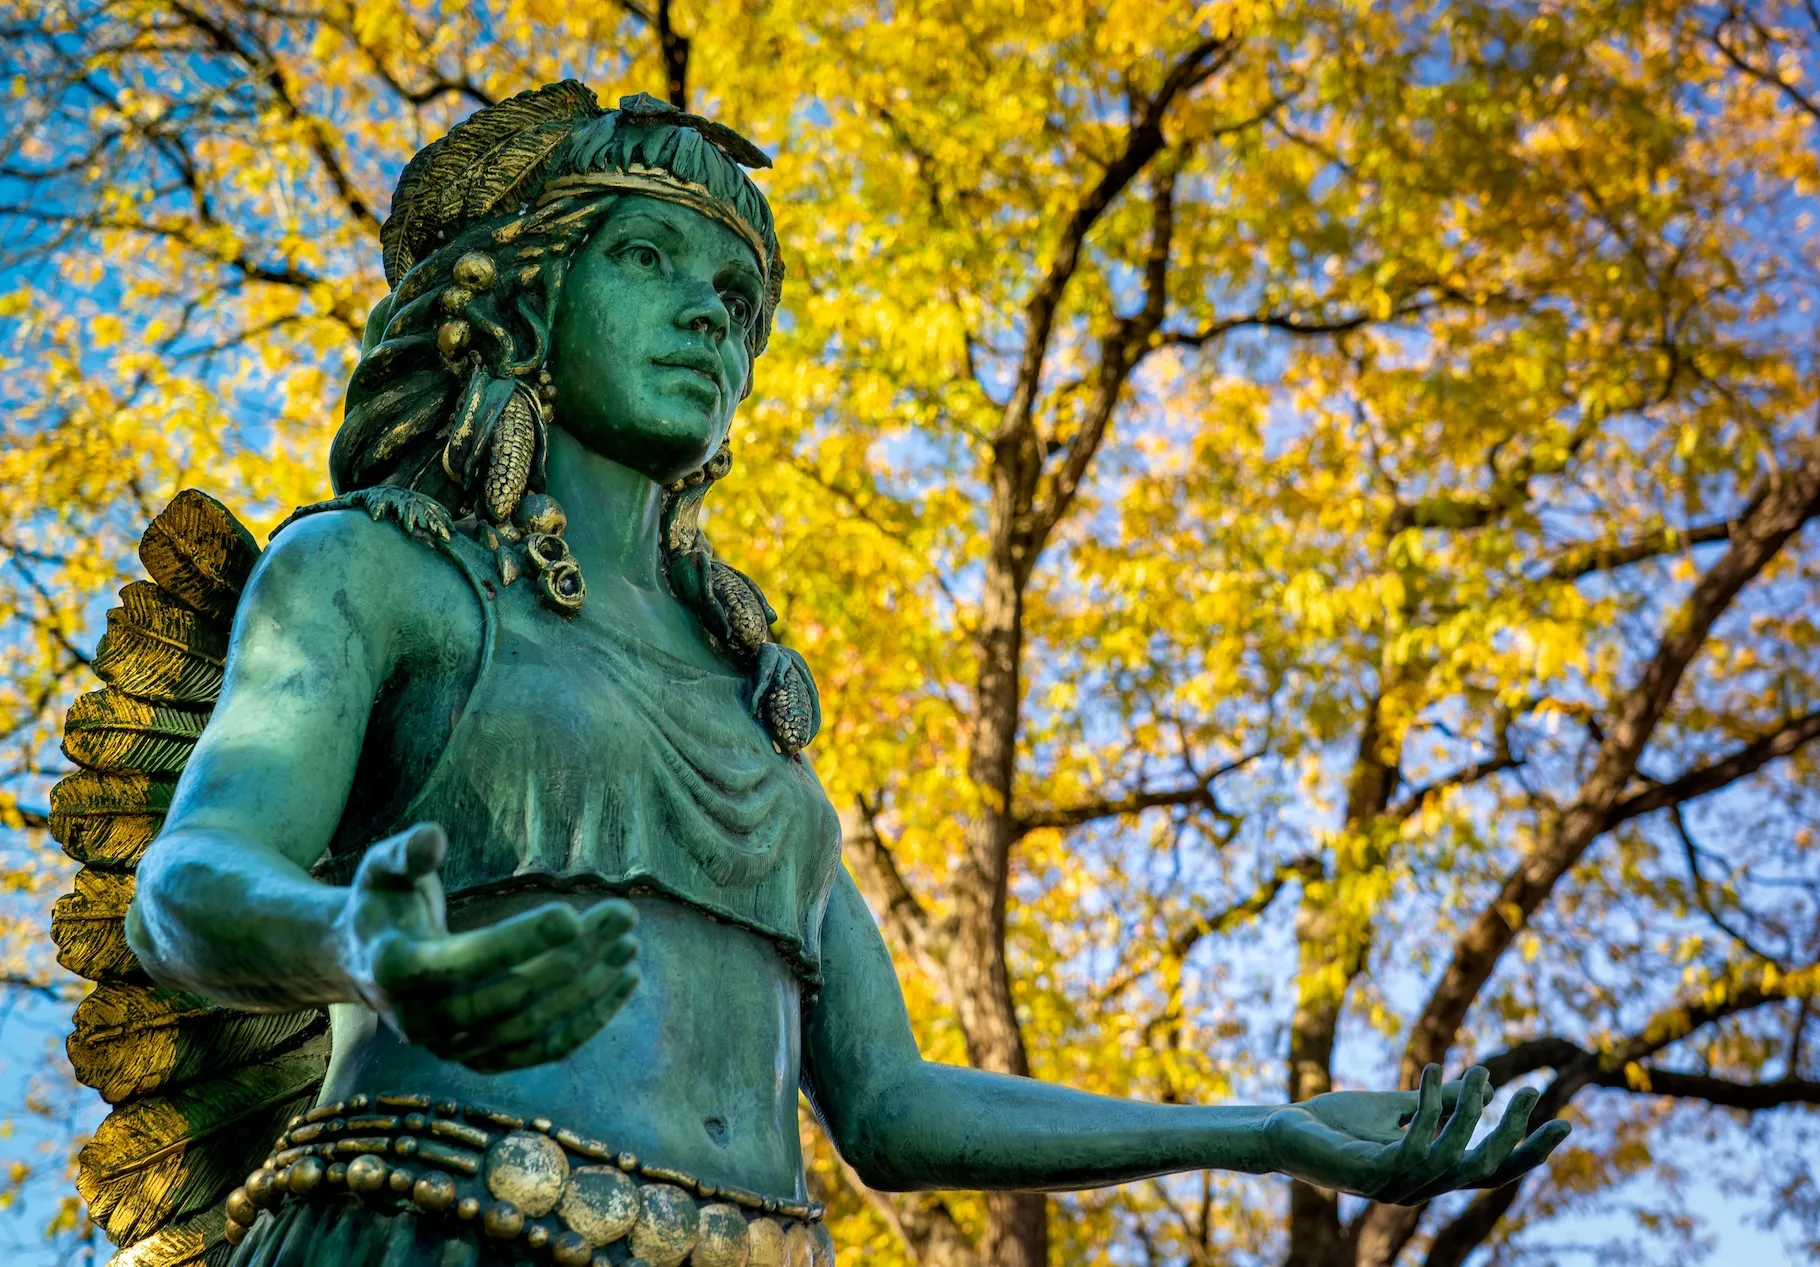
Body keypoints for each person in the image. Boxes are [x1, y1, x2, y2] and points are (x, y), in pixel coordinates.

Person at [120, 84, 1567, 1267]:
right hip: (429, 1229)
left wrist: (1264, 1132)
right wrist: (362, 946)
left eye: (738, 298)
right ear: (519, 300)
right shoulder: (374, 571)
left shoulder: (754, 713)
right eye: (649, 260)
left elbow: (886, 1102)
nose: (712, 318)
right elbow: (186, 878)